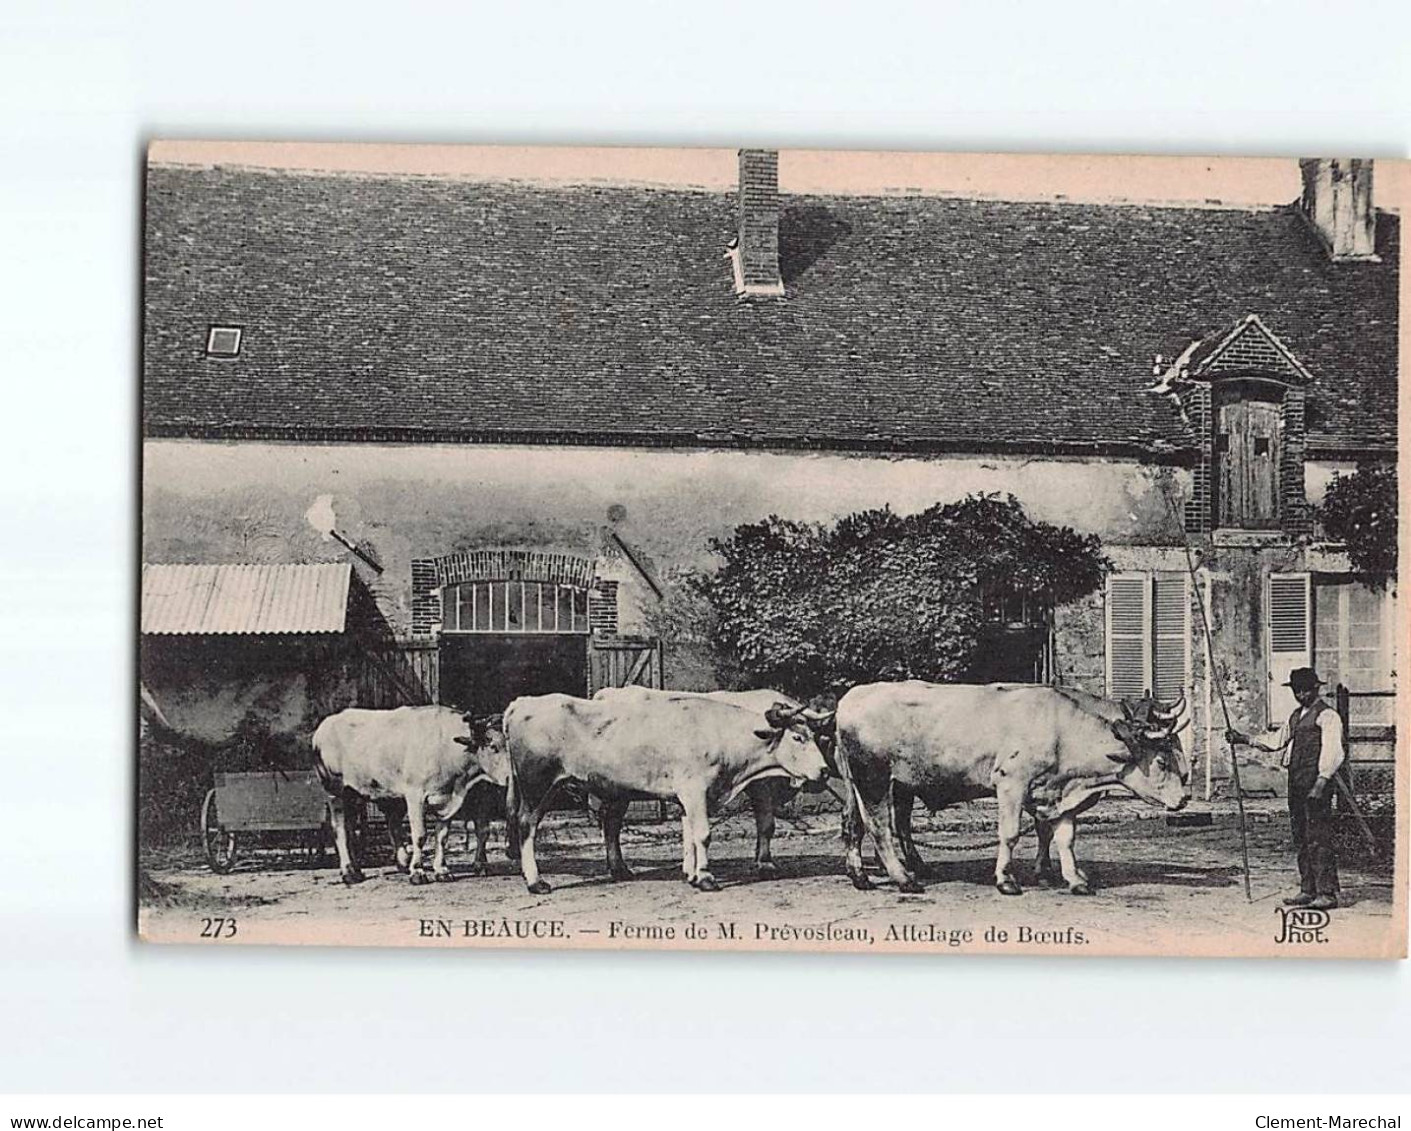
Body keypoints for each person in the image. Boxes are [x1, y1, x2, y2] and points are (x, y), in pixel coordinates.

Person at [1226, 667, 1345, 911]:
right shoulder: (1295, 716)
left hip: (1316, 782)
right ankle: (1307, 888)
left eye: (1305, 690)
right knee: (1300, 835)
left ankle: (1327, 892)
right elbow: (1275, 742)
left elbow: (1334, 751)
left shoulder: (1328, 716)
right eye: (1296, 691)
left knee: (1318, 836)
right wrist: (1243, 738)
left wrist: (1321, 782)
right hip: (1297, 782)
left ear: (1315, 689)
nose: (1301, 695)